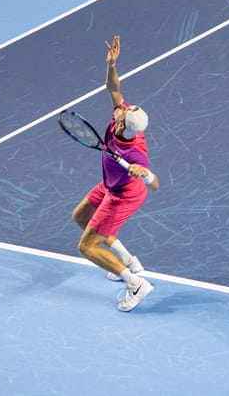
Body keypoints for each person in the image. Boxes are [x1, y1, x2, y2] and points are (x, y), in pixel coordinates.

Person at [72, 34, 160, 312]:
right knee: (81, 216)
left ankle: (134, 282)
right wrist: (111, 65)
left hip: (124, 195)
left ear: (124, 126)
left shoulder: (134, 154)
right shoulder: (123, 116)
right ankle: (128, 259)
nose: (123, 107)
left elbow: (155, 183)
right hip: (110, 185)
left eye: (126, 111)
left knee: (87, 247)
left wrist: (143, 173)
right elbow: (114, 88)